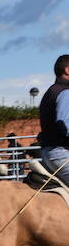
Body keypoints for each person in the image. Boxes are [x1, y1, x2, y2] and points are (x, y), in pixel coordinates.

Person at [37, 54, 69, 185]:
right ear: (67, 70)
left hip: (50, 152)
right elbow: (65, 125)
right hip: (62, 153)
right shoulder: (65, 92)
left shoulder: (51, 91)